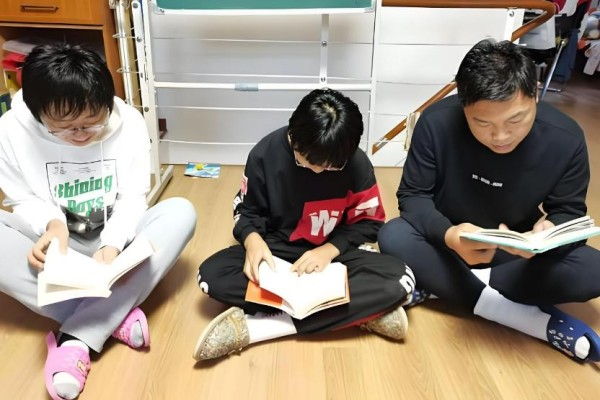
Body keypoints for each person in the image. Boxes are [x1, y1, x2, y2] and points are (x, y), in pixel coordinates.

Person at [378, 39, 600, 363]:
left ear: (535, 94)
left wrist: (547, 233)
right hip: (448, 242)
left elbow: (569, 211)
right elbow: (413, 196)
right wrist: (449, 235)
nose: (500, 136)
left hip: (513, 253)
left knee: (593, 270)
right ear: (463, 104)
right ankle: (517, 314)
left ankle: (442, 285)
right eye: (482, 123)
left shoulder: (565, 138)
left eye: (515, 120)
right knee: (394, 234)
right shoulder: (436, 122)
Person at [0, 44, 197, 399]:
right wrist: (52, 226)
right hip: (55, 241)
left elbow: (134, 196)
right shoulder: (10, 130)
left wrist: (113, 243)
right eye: (66, 128)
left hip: (114, 240)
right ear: (37, 113)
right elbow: (20, 198)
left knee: (181, 212)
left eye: (93, 123)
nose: (81, 134)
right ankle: (111, 316)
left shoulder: (130, 122)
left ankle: (76, 338)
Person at [193, 88, 415, 361]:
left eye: (331, 166)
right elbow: (247, 211)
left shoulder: (355, 164)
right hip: (278, 253)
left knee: (401, 281)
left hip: (333, 256)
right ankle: (356, 313)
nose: (319, 171)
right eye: (307, 162)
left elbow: (369, 223)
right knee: (210, 276)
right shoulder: (265, 154)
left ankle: (262, 327)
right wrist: (252, 241)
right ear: (293, 137)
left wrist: (329, 250)